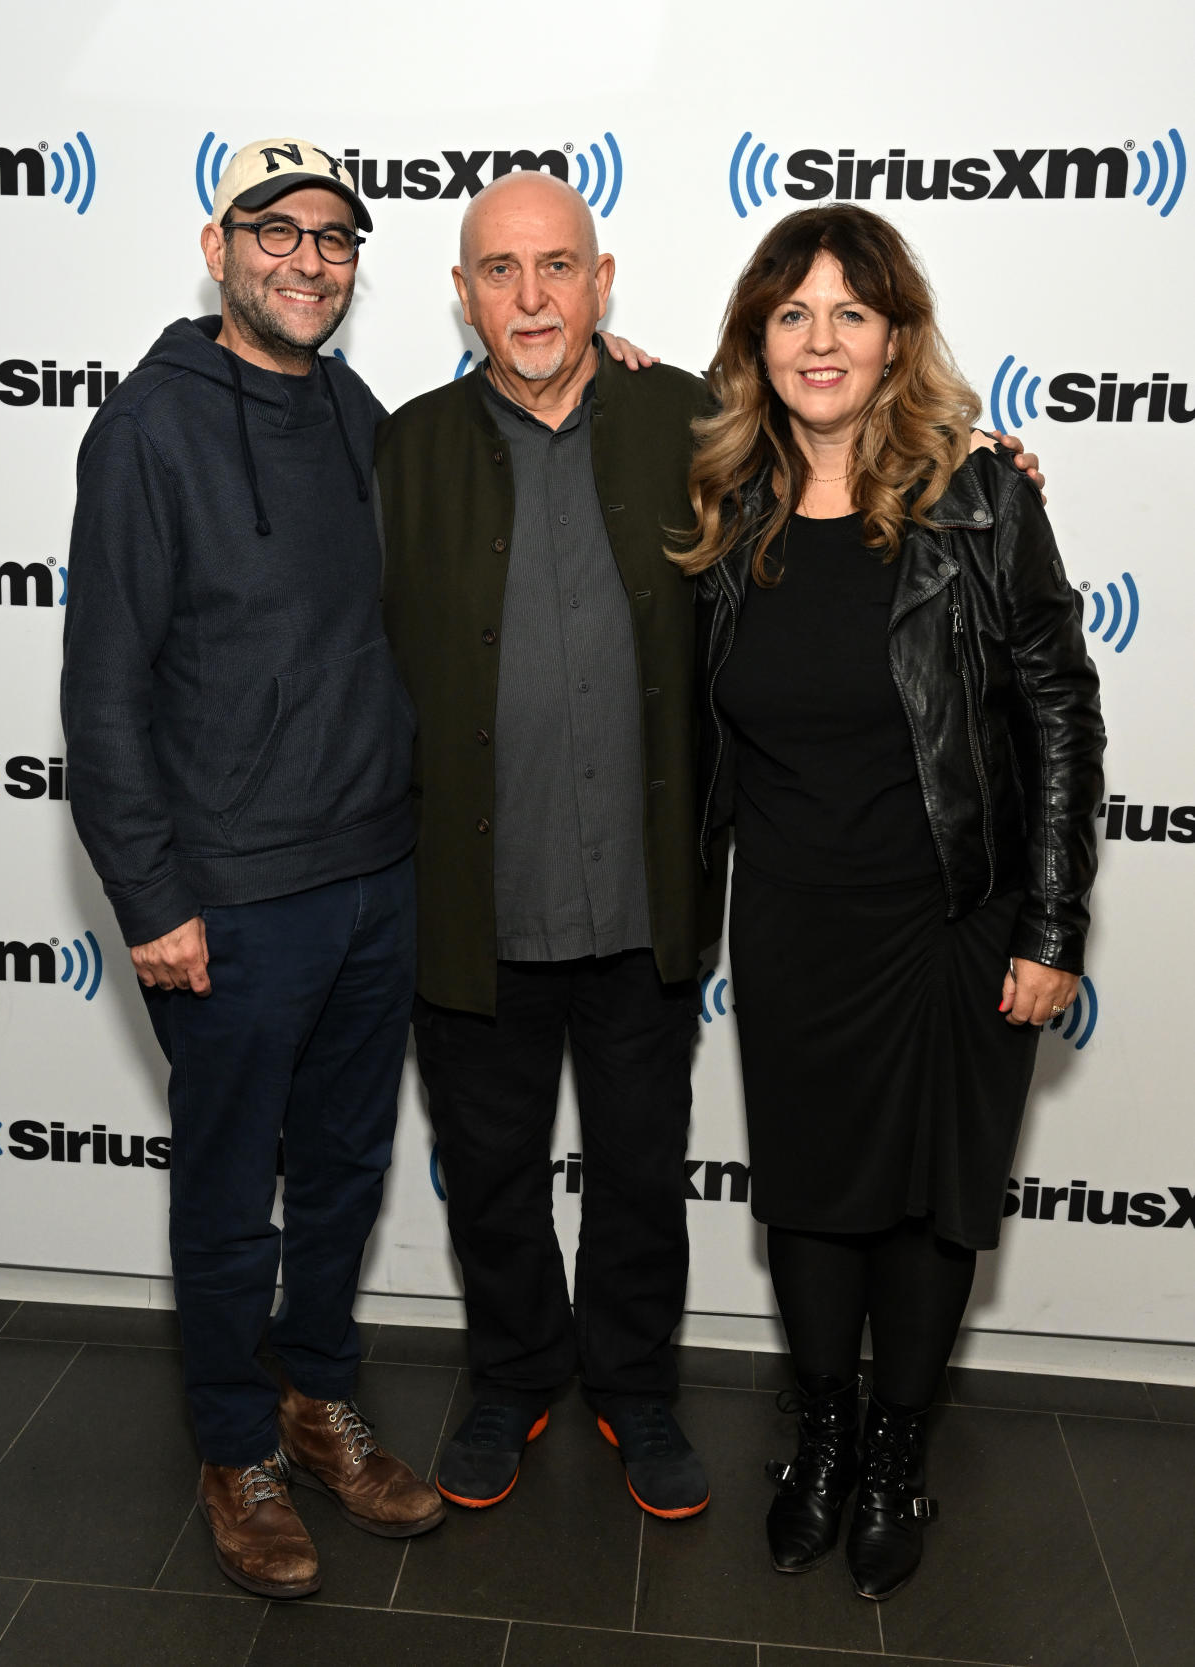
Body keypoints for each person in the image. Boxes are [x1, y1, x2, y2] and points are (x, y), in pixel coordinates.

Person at [675, 204, 1105, 1598]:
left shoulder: (981, 497)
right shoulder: (722, 505)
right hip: (793, 916)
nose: (818, 339)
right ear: (756, 337)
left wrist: (1052, 927)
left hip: (951, 920)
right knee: (806, 1197)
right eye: (790, 312)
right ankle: (821, 1438)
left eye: (847, 313)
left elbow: (1057, 709)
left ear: (893, 337)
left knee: (928, 1206)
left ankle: (894, 1452)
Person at [61, 136, 443, 1602]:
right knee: (233, 1195)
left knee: (344, 1174)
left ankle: (314, 1400)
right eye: (273, 230)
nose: (305, 257)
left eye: (334, 238)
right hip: (231, 896)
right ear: (215, 248)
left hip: (375, 873)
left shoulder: (355, 411)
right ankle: (235, 1448)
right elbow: (102, 690)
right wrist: (150, 898)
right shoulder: (149, 426)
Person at [375, 171, 724, 1520]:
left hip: (645, 903)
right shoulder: (400, 446)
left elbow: (839, 469)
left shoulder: (689, 417)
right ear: (461, 295)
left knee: (642, 1171)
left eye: (556, 267)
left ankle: (634, 1393)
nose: (531, 296)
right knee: (494, 1174)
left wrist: (989, 465)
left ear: (602, 278)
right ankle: (513, 1371)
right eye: (500, 271)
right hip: (474, 904)